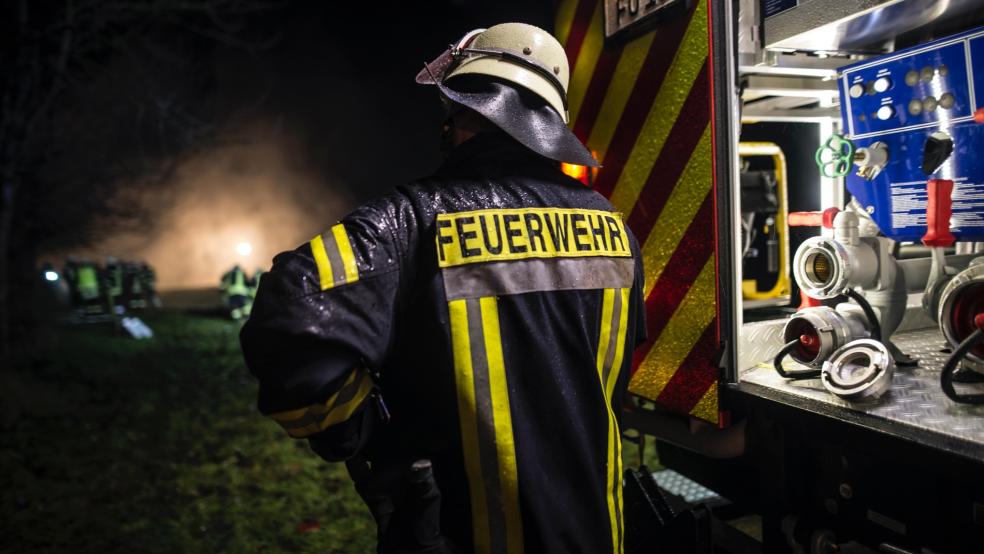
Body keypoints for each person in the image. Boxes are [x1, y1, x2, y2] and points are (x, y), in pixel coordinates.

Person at [241, 23, 645, 554]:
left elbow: (292, 309)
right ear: (548, 122)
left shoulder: (412, 219)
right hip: (598, 533)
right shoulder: (615, 229)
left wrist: (361, 430)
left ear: (461, 112)